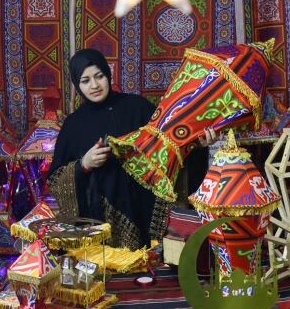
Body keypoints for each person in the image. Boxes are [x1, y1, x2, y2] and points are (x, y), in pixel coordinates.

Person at [47, 48, 216, 250]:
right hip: (101, 227)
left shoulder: (137, 107)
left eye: (99, 76)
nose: (94, 85)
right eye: (85, 80)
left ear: (107, 75)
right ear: (77, 84)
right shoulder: (73, 126)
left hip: (145, 212)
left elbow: (171, 146)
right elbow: (56, 180)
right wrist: (84, 164)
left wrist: (197, 145)